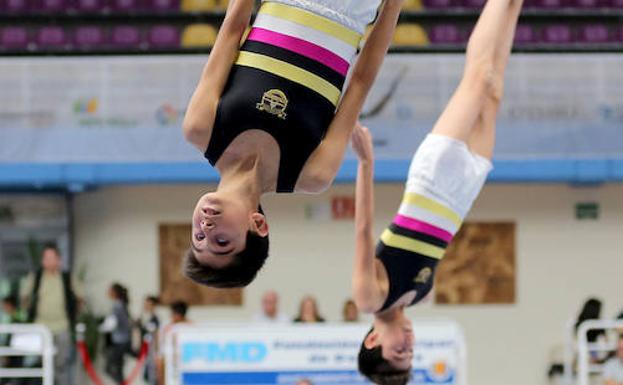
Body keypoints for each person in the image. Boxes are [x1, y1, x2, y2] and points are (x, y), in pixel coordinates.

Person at [350, 1, 524, 383]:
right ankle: (512, 7)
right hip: (462, 192)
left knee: (478, 79)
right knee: (494, 88)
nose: (409, 343)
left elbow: (362, 228)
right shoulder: (419, 297)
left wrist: (365, 165)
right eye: (410, 353)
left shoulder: (370, 297)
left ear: (372, 340)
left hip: (434, 181)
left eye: (399, 349)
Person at [182, 0, 407, 288]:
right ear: (258, 225)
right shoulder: (311, 173)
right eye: (221, 241)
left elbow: (232, 28)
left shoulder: (202, 128)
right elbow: (361, 82)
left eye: (198, 238)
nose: (206, 228)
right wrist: (393, 6)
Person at [20, 243, 82, 385]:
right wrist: (28, 308)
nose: (48, 261)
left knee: (62, 365)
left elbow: (80, 298)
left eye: (51, 257)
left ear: (58, 259)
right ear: (42, 260)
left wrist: (75, 312)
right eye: (46, 258)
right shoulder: (36, 277)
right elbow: (24, 297)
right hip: (40, 327)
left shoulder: (67, 277)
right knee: (42, 364)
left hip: (62, 326)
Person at [100, 283, 132, 385]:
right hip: (121, 341)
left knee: (110, 368)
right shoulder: (120, 304)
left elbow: (111, 324)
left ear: (114, 292)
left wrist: (100, 328)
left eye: (110, 290)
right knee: (118, 368)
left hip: (120, 342)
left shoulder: (118, 306)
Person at [157, 301, 191, 385]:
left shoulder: (190, 327)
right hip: (169, 360)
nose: (171, 316)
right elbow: (161, 348)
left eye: (172, 314)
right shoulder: (167, 327)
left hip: (184, 360)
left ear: (177, 315)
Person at [139, 296, 160, 385]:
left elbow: (155, 335)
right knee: (147, 376)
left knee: (152, 375)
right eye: (145, 304)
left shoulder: (155, 318)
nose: (146, 306)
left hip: (152, 350)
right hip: (147, 350)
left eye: (148, 304)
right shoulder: (146, 317)